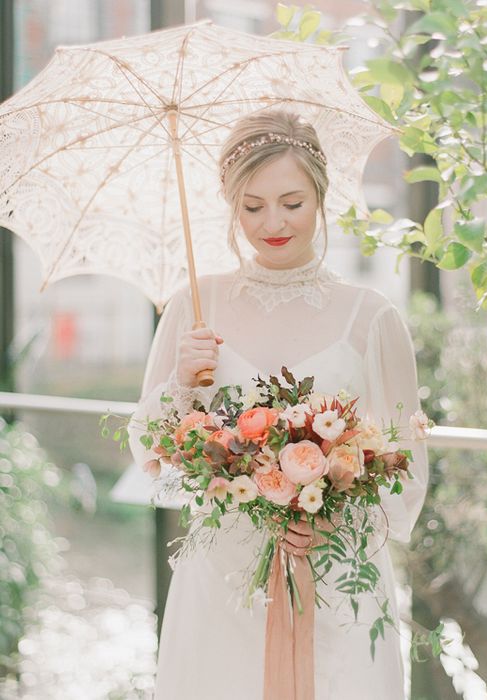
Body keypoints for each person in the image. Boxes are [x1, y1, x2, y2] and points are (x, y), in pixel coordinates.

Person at [127, 109, 429, 699]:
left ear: (320, 195)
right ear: (231, 204)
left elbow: (406, 468)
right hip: (221, 572)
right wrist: (182, 383)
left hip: (337, 573)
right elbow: (147, 445)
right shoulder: (194, 304)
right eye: (252, 205)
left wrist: (328, 519)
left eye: (292, 202)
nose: (273, 222)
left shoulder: (371, 317)